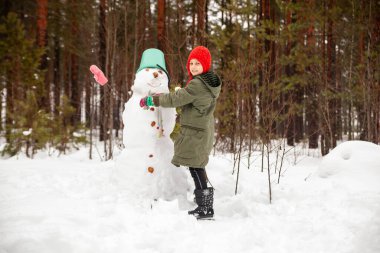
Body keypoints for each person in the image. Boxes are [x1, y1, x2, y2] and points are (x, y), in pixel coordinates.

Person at [139, 46, 222, 219]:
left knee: (196, 167)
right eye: (191, 63)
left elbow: (176, 99)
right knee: (198, 166)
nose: (193, 66)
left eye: (197, 63)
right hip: (202, 130)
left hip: (196, 133)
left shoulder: (198, 84)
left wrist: (152, 99)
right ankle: (205, 205)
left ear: (205, 65)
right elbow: (191, 101)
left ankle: (205, 207)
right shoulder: (208, 83)